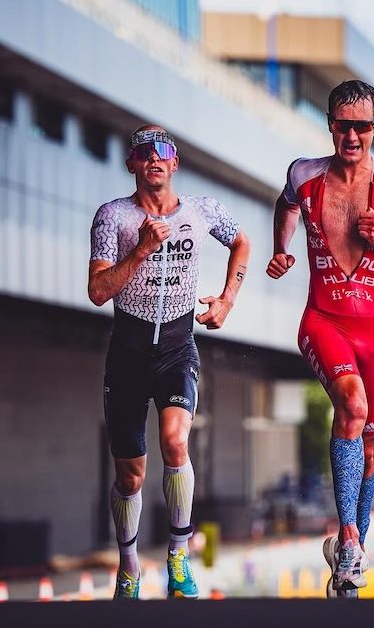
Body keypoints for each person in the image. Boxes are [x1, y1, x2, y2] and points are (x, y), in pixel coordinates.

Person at [266, 80, 374, 596]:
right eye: (344, 125)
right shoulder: (304, 173)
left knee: (368, 445)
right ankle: (346, 537)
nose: (353, 136)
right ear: (330, 124)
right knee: (352, 406)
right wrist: (282, 248)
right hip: (324, 320)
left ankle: (350, 563)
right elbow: (285, 206)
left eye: (363, 126)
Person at [89, 126, 250, 599]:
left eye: (163, 151)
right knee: (130, 474)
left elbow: (241, 242)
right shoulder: (113, 217)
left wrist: (227, 299)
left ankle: (179, 556)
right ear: (133, 164)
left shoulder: (202, 212)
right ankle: (130, 565)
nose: (154, 158)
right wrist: (140, 249)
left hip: (179, 347)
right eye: (144, 152)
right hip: (128, 354)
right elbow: (98, 291)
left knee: (176, 441)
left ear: (175, 163)